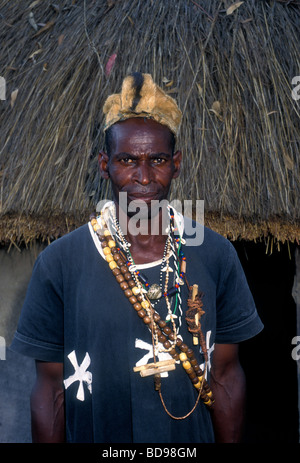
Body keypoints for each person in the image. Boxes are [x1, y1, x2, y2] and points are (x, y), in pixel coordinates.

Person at [10, 72, 263, 443]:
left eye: (157, 159)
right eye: (127, 159)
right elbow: (51, 390)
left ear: (176, 163)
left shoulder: (214, 253)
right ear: (104, 164)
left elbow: (225, 376)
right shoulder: (61, 262)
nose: (143, 177)